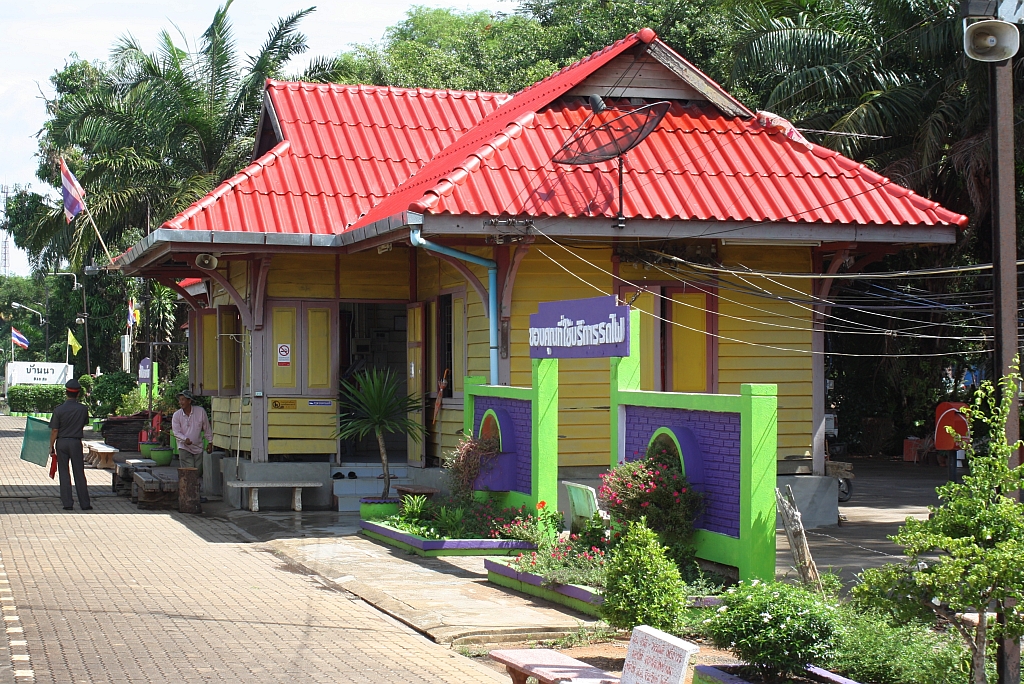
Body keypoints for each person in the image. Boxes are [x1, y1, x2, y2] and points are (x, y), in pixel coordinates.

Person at [49, 379, 92, 511]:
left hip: (62, 442)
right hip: (75, 442)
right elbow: (84, 423)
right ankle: (85, 503)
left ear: (66, 393)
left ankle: (67, 503)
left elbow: (55, 430)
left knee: (64, 472)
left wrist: (51, 446)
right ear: (78, 394)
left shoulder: (58, 410)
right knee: (79, 472)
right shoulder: (83, 409)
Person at [171, 390, 212, 488]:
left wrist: (210, 442)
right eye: (180, 400)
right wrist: (185, 439)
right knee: (189, 471)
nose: (180, 402)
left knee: (198, 471)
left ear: (189, 401)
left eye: (183, 400)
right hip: (184, 447)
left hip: (198, 447)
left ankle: (194, 490)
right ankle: (190, 491)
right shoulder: (176, 415)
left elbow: (207, 428)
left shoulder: (200, 411)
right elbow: (176, 432)